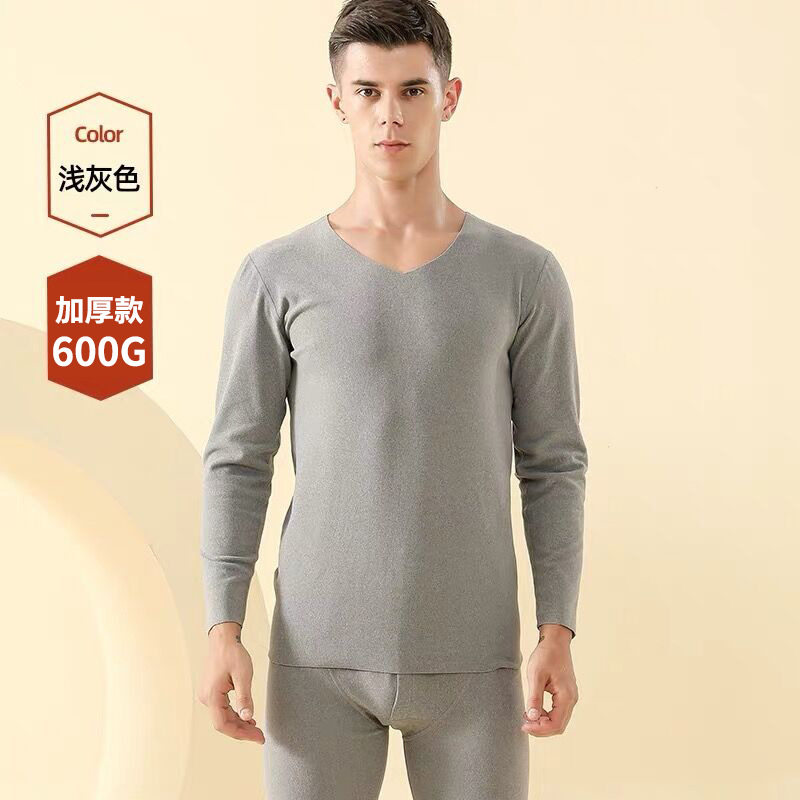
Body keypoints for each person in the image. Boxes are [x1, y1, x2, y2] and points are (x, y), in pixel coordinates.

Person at [197, 1, 588, 797]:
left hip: (476, 661)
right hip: (317, 661)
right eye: (368, 91)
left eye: (412, 90)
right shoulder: (276, 276)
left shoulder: (523, 276)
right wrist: (222, 625)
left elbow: (553, 464)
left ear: (450, 96)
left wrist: (558, 627)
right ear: (336, 100)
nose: (389, 114)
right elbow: (238, 459)